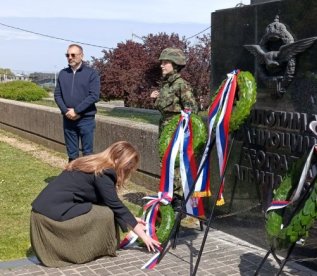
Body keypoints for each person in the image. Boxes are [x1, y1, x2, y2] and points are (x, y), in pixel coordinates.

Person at [30, 141, 161, 267]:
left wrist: (132, 220)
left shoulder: (92, 164)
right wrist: (144, 237)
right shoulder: (105, 172)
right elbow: (115, 205)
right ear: (117, 159)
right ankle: (86, 250)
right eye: (128, 163)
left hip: (43, 211)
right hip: (51, 216)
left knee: (104, 210)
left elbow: (106, 200)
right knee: (105, 213)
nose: (129, 168)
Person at [150, 47, 200, 228]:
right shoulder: (166, 84)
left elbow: (192, 110)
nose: (162, 65)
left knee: (176, 166)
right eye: (162, 62)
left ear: (175, 65)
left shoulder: (181, 85)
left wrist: (181, 128)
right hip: (164, 129)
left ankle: (178, 204)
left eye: (165, 62)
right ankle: (168, 199)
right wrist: (155, 98)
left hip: (177, 132)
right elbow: (164, 106)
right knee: (166, 164)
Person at [54, 44, 100, 162]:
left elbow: (94, 95)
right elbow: (57, 95)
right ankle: (73, 178)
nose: (70, 57)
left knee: (87, 154)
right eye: (67, 55)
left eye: (73, 55)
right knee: (72, 154)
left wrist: (77, 111)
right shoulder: (63, 73)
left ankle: (87, 179)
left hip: (86, 119)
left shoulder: (91, 73)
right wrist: (66, 112)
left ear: (81, 55)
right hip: (68, 118)